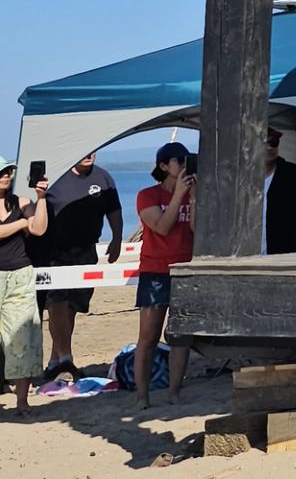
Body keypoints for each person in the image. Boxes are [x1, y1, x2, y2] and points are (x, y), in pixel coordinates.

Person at [31, 152, 123, 381]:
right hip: (54, 251)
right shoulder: (55, 177)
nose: (88, 155)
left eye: (92, 151)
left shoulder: (103, 178)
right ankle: (65, 358)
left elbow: (114, 210)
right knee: (57, 303)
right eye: (84, 152)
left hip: (86, 250)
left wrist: (117, 239)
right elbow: (34, 209)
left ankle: (56, 360)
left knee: (73, 305)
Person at [133, 143, 193, 408]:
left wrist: (197, 196)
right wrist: (179, 194)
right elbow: (162, 227)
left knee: (180, 336)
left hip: (186, 268)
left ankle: (174, 391)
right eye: (179, 161)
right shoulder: (147, 195)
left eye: (187, 160)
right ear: (163, 166)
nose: (184, 165)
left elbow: (198, 228)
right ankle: (142, 395)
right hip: (155, 270)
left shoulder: (193, 192)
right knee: (148, 336)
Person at [0, 158, 50, 415]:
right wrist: (21, 224)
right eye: (1, 172)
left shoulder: (20, 202)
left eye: (8, 171)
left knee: (22, 339)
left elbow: (39, 229)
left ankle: (21, 402)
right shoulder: (18, 212)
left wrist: (40, 198)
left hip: (19, 274)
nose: (6, 175)